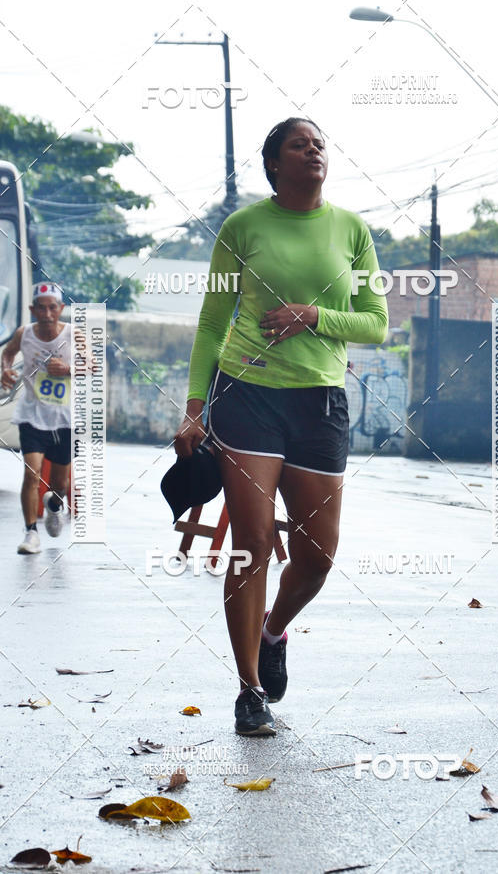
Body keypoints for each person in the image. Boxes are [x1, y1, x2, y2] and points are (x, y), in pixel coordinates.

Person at [174, 117, 388, 736]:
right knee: (255, 540)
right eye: (300, 143)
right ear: (274, 164)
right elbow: (213, 321)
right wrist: (195, 406)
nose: (314, 149)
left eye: (320, 141)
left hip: (320, 402)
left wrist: (315, 315)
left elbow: (375, 322)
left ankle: (273, 632)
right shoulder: (243, 228)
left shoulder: (351, 230)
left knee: (318, 555)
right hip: (247, 394)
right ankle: (248, 690)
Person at [1, 283, 71, 554]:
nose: (47, 312)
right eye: (41, 307)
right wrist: (5, 370)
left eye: (52, 307)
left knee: (59, 486)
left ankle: (54, 505)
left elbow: (91, 363)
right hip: (31, 413)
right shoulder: (24, 334)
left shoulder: (72, 335)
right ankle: (31, 533)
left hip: (63, 418)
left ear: (60, 309)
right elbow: (7, 354)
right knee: (31, 473)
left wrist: (68, 368)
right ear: (32, 310)